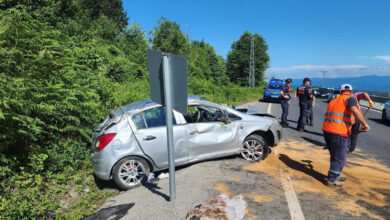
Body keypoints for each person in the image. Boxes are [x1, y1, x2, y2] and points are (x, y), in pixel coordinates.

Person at [322, 84, 370, 186]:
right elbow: (354, 110)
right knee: (340, 158)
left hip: (327, 131)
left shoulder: (334, 100)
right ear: (351, 92)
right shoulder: (350, 99)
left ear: (340, 92)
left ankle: (337, 173)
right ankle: (331, 179)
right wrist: (364, 124)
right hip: (338, 132)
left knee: (335, 155)